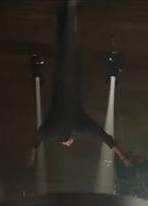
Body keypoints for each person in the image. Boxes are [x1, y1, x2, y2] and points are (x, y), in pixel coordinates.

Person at [28, 2, 130, 167]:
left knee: (70, 47)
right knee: (62, 48)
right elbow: (36, 139)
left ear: (68, 139)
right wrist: (32, 156)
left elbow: (104, 137)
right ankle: (62, 15)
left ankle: (70, 13)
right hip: (59, 76)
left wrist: (123, 157)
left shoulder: (78, 123)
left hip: (72, 75)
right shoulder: (51, 129)